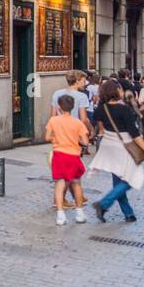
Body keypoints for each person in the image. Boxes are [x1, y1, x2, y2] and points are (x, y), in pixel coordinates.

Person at [90, 78, 144, 222]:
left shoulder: (101, 109)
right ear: (116, 91)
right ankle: (104, 203)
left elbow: (98, 124)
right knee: (132, 178)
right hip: (123, 146)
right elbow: (134, 133)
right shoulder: (124, 109)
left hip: (108, 145)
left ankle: (128, 213)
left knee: (118, 181)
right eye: (120, 89)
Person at [44, 94, 89, 225]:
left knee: (59, 184)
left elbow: (47, 137)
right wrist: (75, 138)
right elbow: (85, 142)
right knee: (76, 183)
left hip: (59, 155)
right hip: (73, 156)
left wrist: (56, 138)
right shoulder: (78, 123)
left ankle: (60, 215)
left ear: (59, 106)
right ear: (73, 107)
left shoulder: (53, 120)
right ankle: (79, 213)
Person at [49, 70, 90, 203]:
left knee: (72, 167)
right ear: (77, 80)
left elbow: (53, 115)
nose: (85, 82)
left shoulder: (57, 94)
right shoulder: (82, 96)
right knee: (71, 168)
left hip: (59, 134)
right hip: (74, 135)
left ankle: (79, 194)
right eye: (83, 80)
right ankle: (60, 199)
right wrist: (90, 130)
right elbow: (83, 118)